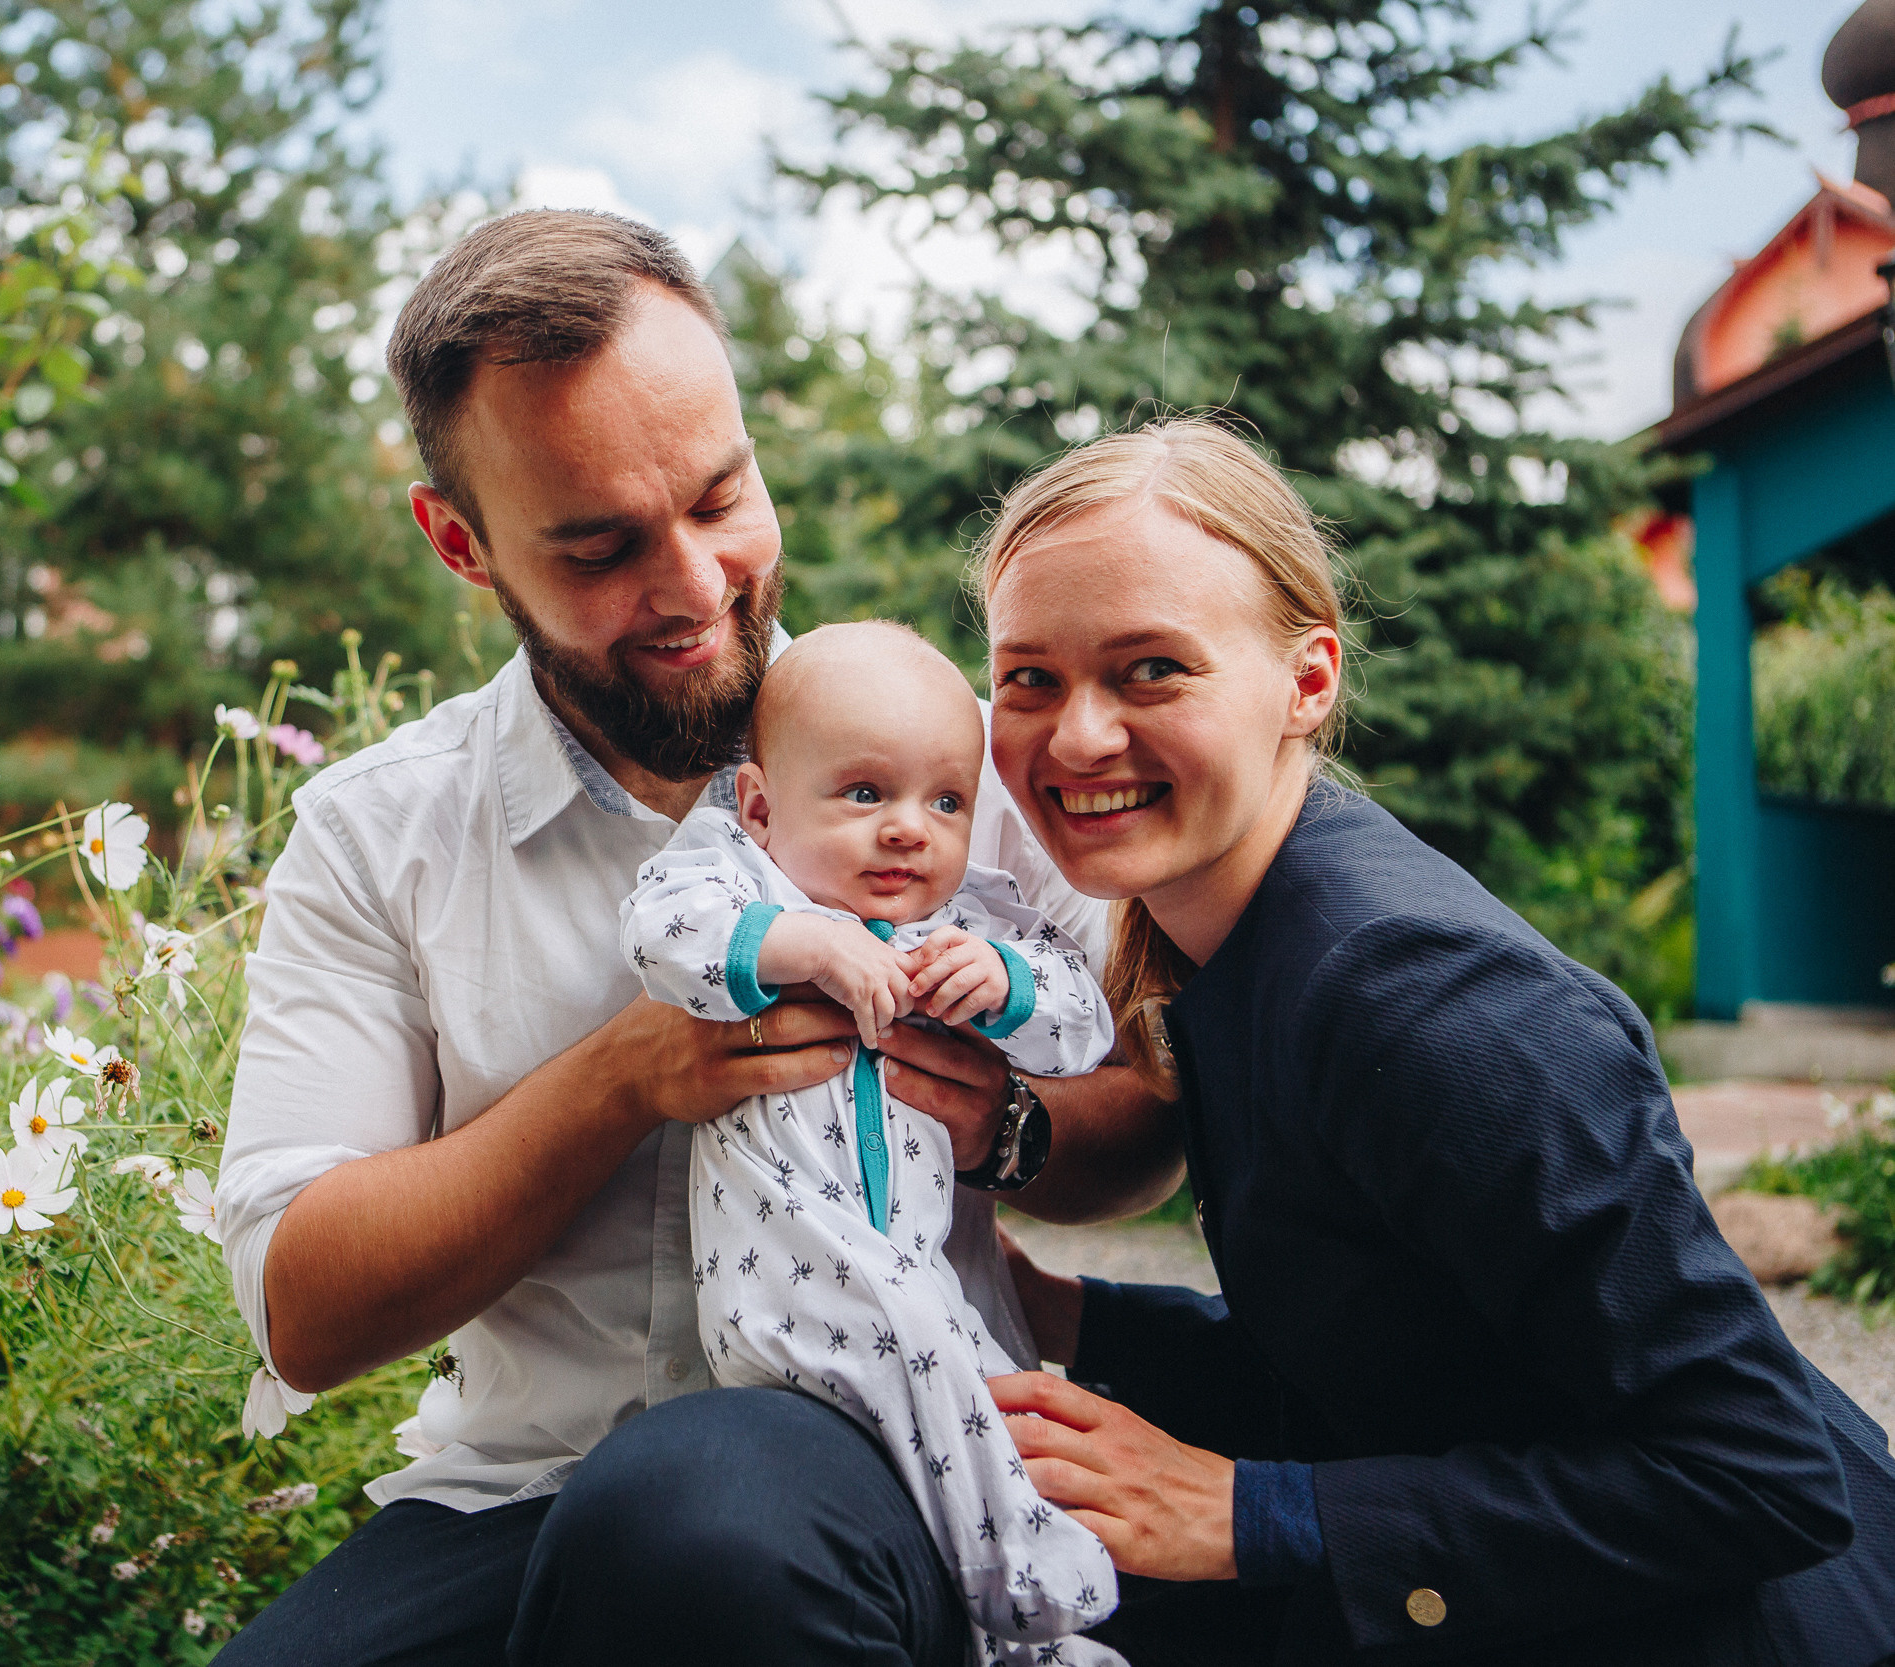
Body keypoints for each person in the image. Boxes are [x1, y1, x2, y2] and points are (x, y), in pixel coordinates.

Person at [208, 211, 1180, 1667]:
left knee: (700, 1522)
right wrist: (623, 1079)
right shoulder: (377, 831)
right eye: (600, 545)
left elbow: (1149, 1116)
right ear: (459, 541)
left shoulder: (956, 767)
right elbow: (305, 1304)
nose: (694, 584)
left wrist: (1011, 1122)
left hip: (900, 1453)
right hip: (518, 1489)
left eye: (722, 495)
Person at [967, 417, 1895, 1665]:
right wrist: (1067, 1317)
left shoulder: (1416, 997)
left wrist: (1249, 1513)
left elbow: (1760, 1471)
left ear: (1308, 681)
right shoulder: (1224, 945)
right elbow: (1406, 1367)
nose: (1076, 736)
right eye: (1029, 678)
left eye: (1150, 670)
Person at [621, 621, 1120, 1663]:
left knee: (998, 1391)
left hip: (909, 1274)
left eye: (945, 801)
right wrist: (804, 943)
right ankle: (1038, 1589)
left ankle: (1008, 1640)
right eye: (864, 794)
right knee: (925, 1347)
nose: (909, 830)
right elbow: (658, 930)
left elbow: (1085, 1024)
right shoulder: (743, 884)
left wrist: (1008, 984)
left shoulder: (969, 921)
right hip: (787, 1274)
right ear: (760, 806)